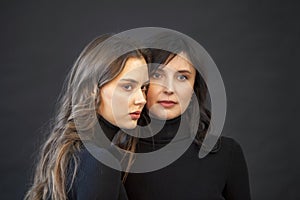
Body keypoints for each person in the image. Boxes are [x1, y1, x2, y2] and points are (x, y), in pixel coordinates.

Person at [124, 34, 251, 199]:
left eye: (182, 77)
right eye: (157, 75)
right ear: (142, 82)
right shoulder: (119, 157)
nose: (169, 89)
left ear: (193, 88)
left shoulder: (227, 153)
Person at [25, 34, 149, 200]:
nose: (142, 100)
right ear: (92, 89)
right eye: (127, 87)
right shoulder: (99, 159)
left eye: (143, 87)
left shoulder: (72, 151)